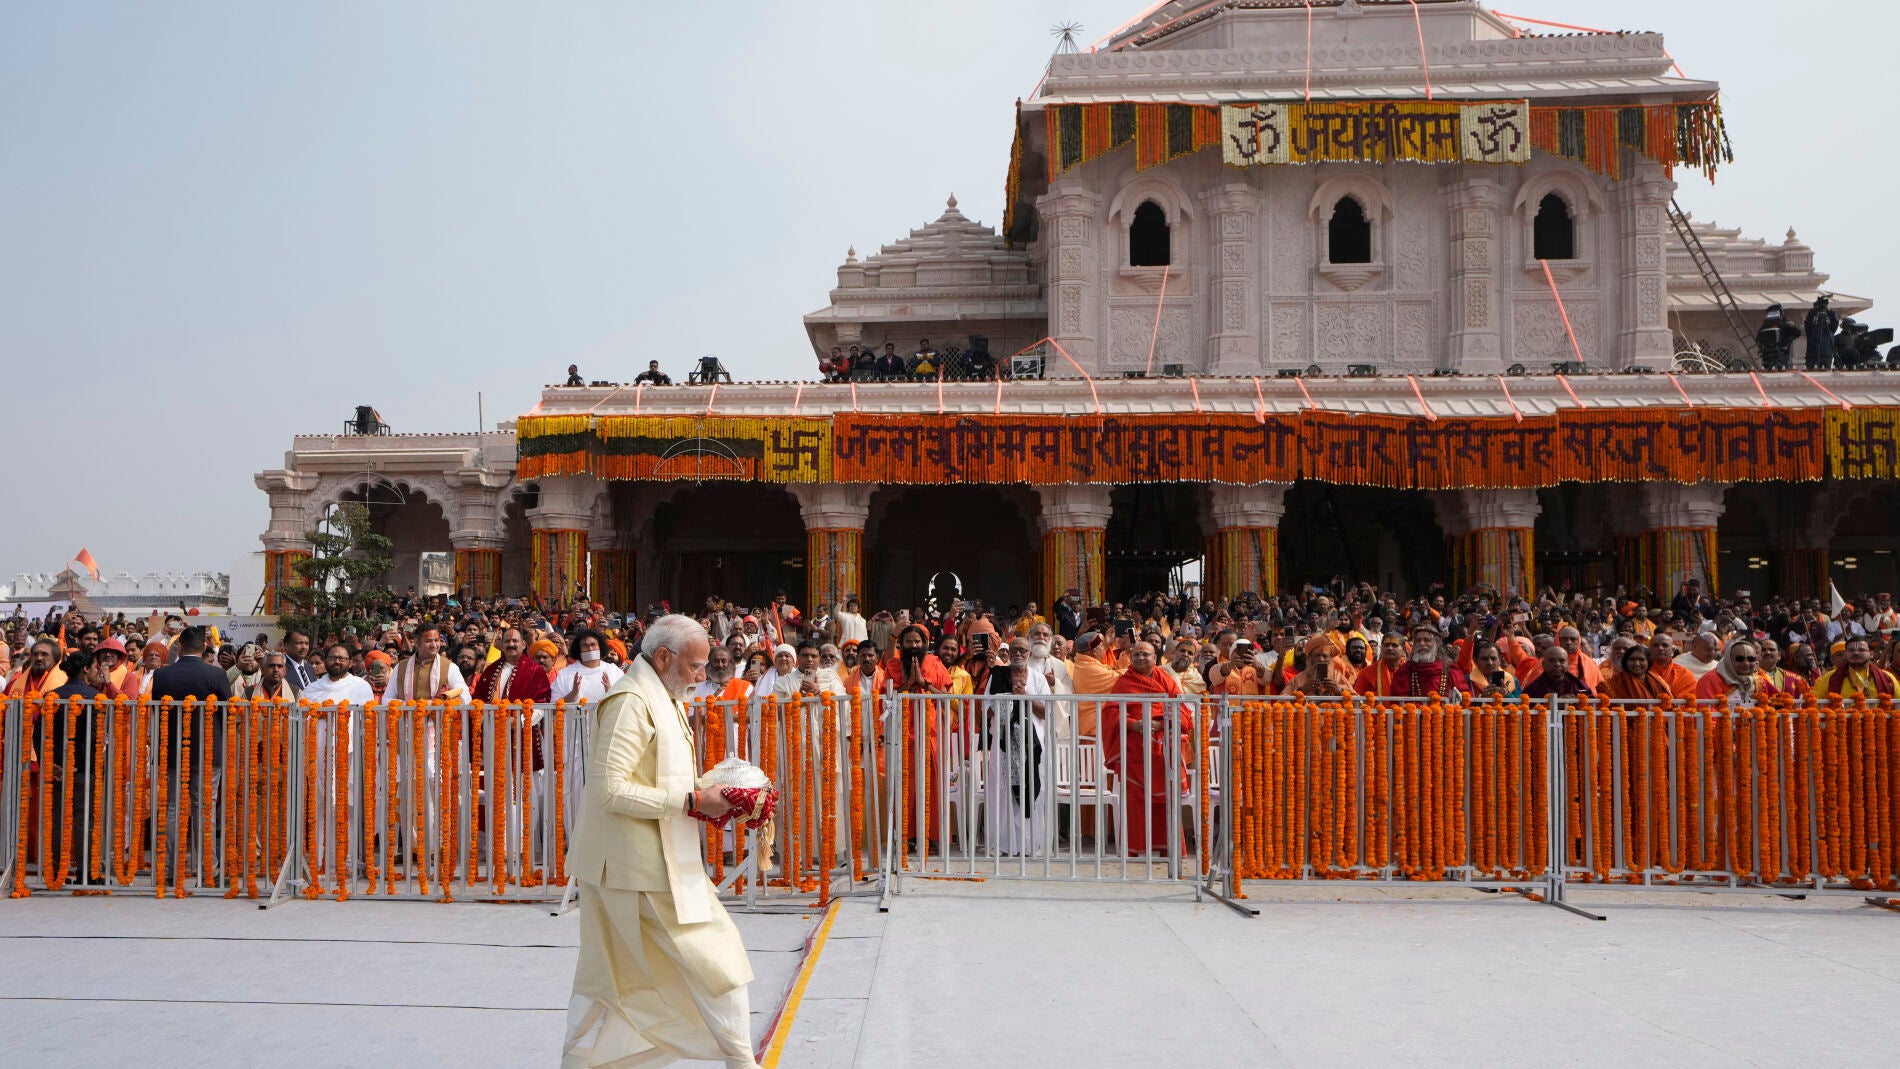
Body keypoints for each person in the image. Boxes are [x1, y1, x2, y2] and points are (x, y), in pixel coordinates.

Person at [563, 615, 760, 1069]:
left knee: (613, 984)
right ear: (665, 657)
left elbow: (663, 780)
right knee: (717, 963)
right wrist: (694, 800)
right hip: (633, 868)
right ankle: (741, 1061)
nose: (702, 675)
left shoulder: (664, 693)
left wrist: (719, 798)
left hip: (655, 861)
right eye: (695, 666)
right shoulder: (632, 701)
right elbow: (610, 789)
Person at [1100, 641, 1188, 856]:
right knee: (1135, 802)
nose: (1140, 658)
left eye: (1145, 654)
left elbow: (1182, 710)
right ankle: (1134, 849)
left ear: (1155, 658)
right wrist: (1133, 724)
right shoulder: (1124, 682)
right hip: (1135, 748)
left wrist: (1161, 724)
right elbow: (1111, 713)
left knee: (1166, 801)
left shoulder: (1166, 680)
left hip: (1162, 749)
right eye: (1136, 654)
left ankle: (1169, 848)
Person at [981, 638, 1051, 856]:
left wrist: (1025, 698)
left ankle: (1028, 846)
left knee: (1031, 791)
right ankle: (1004, 845)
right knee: (1003, 794)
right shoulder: (997, 676)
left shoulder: (1038, 679)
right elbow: (987, 709)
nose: (1018, 653)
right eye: (1014, 650)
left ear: (1030, 653)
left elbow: (1046, 712)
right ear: (1008, 653)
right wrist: (1006, 704)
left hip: (1031, 746)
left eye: (1023, 650)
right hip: (1003, 746)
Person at [1380, 626, 1468, 699]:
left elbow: (1464, 696)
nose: (1422, 644)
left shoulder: (1451, 669)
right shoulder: (1405, 670)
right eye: (1418, 640)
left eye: (1427, 640)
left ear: (1436, 643)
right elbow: (1398, 701)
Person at [387, 624, 469, 703]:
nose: (434, 645)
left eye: (437, 640)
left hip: (439, 716)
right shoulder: (401, 667)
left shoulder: (450, 667)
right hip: (406, 716)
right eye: (428, 641)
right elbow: (387, 698)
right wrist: (406, 705)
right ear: (417, 642)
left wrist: (440, 703)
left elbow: (465, 696)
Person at [471, 628, 553, 704]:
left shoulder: (536, 670)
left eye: (515, 641)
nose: (511, 644)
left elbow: (542, 699)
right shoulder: (490, 670)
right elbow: (478, 698)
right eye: (507, 641)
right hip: (492, 719)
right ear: (502, 646)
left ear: (524, 644)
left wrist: (522, 719)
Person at [151, 626, 233, 702]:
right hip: (207, 718)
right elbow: (227, 709)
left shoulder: (161, 673)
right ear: (204, 648)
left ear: (180, 648)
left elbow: (156, 707)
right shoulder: (217, 674)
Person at [554, 629, 626, 706]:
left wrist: (609, 693)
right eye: (585, 645)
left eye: (593, 644)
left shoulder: (615, 671)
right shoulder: (565, 673)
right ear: (578, 650)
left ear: (600, 647)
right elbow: (553, 710)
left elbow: (625, 705)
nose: (590, 649)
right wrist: (573, 694)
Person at [1812, 637, 1898, 699]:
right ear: (1845, 654)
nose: (1856, 653)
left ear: (1871, 653)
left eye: (1861, 650)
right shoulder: (1828, 678)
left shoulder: (1887, 678)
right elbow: (1814, 704)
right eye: (1851, 650)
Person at [1696, 639, 1773, 704]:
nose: (1746, 663)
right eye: (1739, 659)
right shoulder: (1710, 680)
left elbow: (1778, 704)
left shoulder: (1760, 682)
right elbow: (1707, 714)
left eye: (1751, 659)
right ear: (1728, 660)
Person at [1601, 644, 1674, 702]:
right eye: (1632, 659)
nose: (1637, 663)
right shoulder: (1611, 684)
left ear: (1648, 662)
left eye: (1641, 659)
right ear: (1626, 662)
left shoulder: (1657, 679)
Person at [1524, 644, 1594, 699]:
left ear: (1568, 664)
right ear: (1543, 664)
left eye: (1562, 661)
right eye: (1551, 660)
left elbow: (1592, 705)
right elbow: (1526, 712)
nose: (1557, 664)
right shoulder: (1534, 688)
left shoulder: (1578, 685)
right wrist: (1555, 705)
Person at [1756, 304, 1802, 371]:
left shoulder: (1784, 323)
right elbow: (1759, 339)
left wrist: (1792, 327)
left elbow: (1797, 333)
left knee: (1782, 372)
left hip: (1782, 354)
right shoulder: (1765, 326)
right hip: (1768, 355)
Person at [1804, 295, 1839, 369]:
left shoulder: (1830, 328)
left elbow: (1835, 323)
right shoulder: (1812, 325)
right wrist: (1815, 310)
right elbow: (1808, 324)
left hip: (1826, 354)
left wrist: (1828, 311)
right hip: (1812, 354)